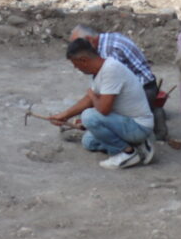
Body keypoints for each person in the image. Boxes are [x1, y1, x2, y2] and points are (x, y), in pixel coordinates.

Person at [47, 38, 157, 169]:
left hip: (138, 126)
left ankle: (126, 153)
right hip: (127, 123)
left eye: (76, 64)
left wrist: (92, 95)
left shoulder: (111, 70)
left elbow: (103, 109)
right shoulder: (100, 71)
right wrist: (64, 115)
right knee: (88, 141)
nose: (77, 68)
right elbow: (89, 100)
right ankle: (139, 146)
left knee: (89, 116)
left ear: (84, 60)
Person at [69, 24, 168, 142]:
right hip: (142, 86)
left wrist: (92, 100)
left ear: (89, 40)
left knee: (95, 116)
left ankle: (138, 142)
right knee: (90, 133)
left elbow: (103, 100)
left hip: (144, 90)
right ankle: (152, 112)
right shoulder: (105, 42)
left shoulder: (107, 54)